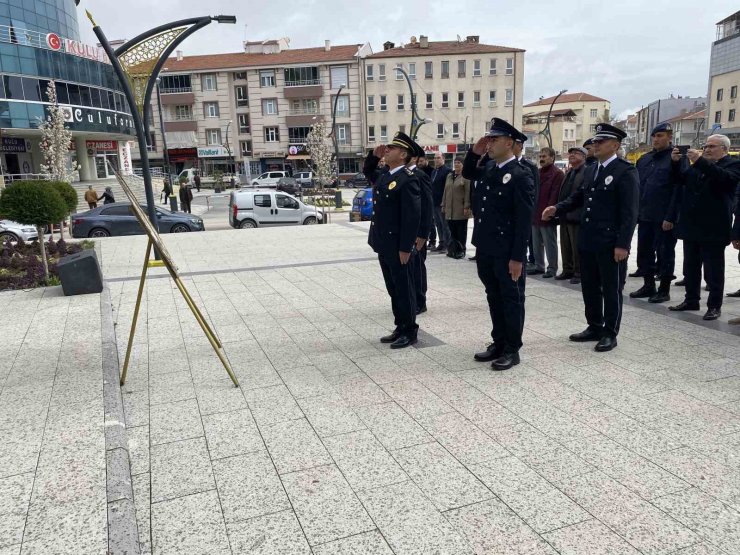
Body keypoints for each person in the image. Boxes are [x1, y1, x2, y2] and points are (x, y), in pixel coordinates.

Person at [543, 123, 639, 352]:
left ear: (615, 145)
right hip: (588, 239)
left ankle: (610, 332)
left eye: (600, 142)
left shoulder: (625, 171)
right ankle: (594, 325)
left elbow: (630, 213)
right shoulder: (591, 169)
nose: (595, 145)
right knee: (590, 286)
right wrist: (557, 208)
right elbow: (579, 196)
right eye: (594, 141)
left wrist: (622, 245)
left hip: (609, 242)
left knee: (611, 287)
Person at [463, 119, 535, 371]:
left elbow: (524, 221)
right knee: (493, 296)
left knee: (511, 298)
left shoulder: (521, 174)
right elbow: (468, 172)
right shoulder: (489, 168)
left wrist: (518, 257)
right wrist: (475, 151)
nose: (490, 143)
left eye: (494, 139)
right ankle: (499, 341)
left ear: (510, 143)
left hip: (507, 251)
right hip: (486, 247)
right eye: (489, 139)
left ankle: (512, 348)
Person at [668, 134, 740, 321]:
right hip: (692, 225)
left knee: (713, 270)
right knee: (691, 266)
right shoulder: (698, 166)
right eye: (705, 146)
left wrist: (699, 161)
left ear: (724, 149)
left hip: (714, 228)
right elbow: (681, 180)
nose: (707, 149)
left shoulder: (732, 165)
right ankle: (691, 299)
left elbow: (725, 180)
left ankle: (714, 306)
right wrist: (676, 163)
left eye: (712, 146)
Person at [367, 132, 421, 349]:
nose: (386, 150)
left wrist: (406, 247)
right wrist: (373, 156)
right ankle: (400, 326)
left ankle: (410, 331)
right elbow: (369, 172)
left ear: (403, 154)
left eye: (392, 148)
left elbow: (412, 216)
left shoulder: (408, 179)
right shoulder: (386, 175)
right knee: (393, 288)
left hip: (399, 246)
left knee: (404, 289)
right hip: (384, 243)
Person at [629, 122, 683, 302]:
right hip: (645, 214)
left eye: (661, 136)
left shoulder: (677, 158)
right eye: (654, 136)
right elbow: (637, 186)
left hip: (664, 216)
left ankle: (664, 289)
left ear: (669, 137)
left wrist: (671, 216)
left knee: (665, 252)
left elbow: (679, 187)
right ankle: (648, 284)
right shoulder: (644, 159)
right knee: (644, 250)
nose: (656, 139)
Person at [529, 147, 564, 278]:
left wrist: (549, 211)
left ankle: (552, 268)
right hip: (535, 212)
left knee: (550, 243)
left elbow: (555, 195)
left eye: (544, 156)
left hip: (547, 213)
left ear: (552, 158)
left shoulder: (558, 174)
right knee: (536, 242)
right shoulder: (537, 172)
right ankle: (539, 266)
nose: (542, 159)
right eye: (540, 156)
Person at [408, 143, 434, 313]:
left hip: (418, 233)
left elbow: (427, 206)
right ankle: (411, 299)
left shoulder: (420, 175)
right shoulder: (404, 174)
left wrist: (424, 233)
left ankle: (420, 300)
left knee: (417, 267)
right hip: (406, 231)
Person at [556, 147, 587, 283]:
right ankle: (567, 269)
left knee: (576, 247)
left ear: (584, 157)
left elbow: (580, 195)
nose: (572, 155)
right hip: (565, 214)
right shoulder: (570, 171)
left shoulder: (586, 171)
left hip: (577, 215)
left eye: (576, 153)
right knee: (565, 245)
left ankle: (578, 272)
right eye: (571, 153)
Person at [513, 137, 539, 270]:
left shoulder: (529, 166)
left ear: (521, 147)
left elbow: (535, 191)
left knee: (529, 238)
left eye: (516, 144)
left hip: (526, 210)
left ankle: (532, 259)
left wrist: (532, 211)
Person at [441, 157, 471, 258]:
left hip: (460, 208)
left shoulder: (466, 176)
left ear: (463, 165)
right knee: (452, 231)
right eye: (455, 162)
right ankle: (453, 250)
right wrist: (443, 205)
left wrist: (467, 206)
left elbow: (468, 192)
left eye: (459, 163)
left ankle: (461, 250)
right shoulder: (449, 176)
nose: (457, 164)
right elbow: (445, 191)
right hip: (450, 209)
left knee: (461, 232)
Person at [428, 152, 452, 252]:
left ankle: (447, 244)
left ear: (443, 159)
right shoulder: (434, 171)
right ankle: (441, 243)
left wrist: (444, 201)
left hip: (442, 202)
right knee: (438, 223)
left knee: (444, 224)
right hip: (434, 201)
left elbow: (448, 188)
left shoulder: (447, 171)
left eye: (438, 158)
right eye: (435, 158)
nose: (436, 160)